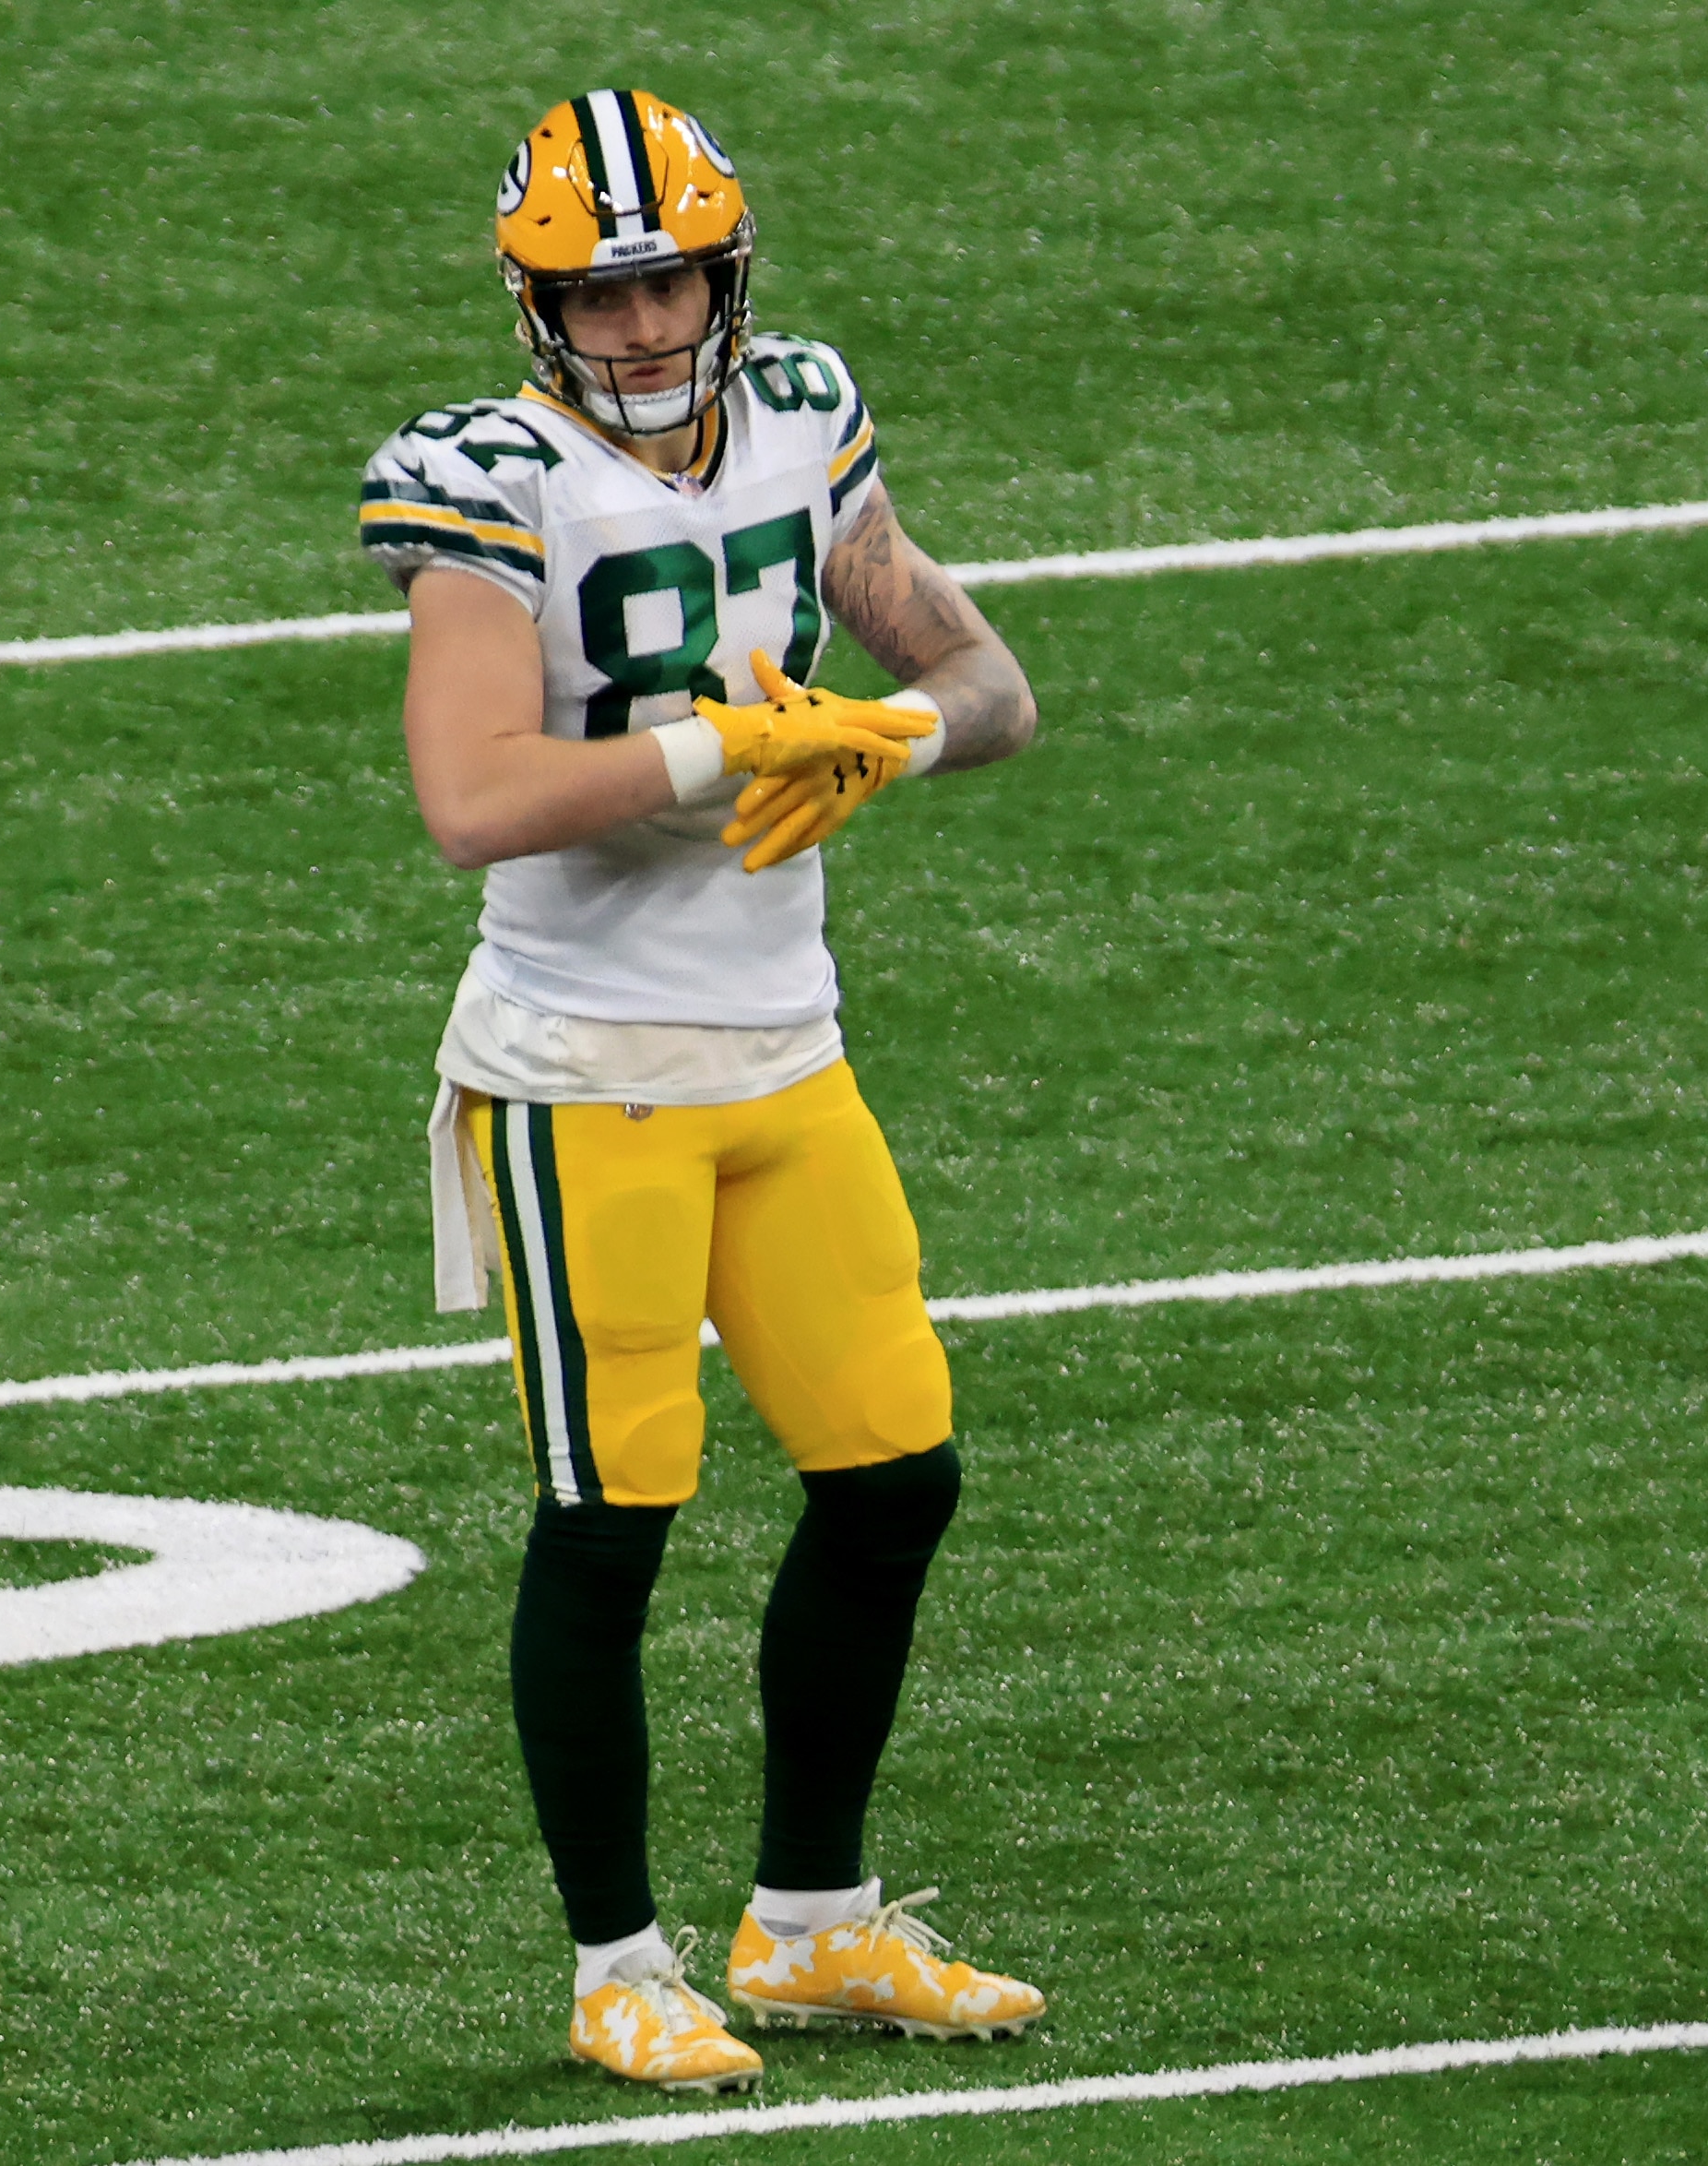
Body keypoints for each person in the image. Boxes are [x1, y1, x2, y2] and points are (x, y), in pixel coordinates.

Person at [359, 89, 1045, 2097]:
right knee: (611, 1519)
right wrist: (715, 755)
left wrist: (885, 735)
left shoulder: (803, 410)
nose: (645, 326)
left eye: (669, 281)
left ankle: (812, 1925)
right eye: (603, 291)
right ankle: (615, 1964)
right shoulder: (489, 477)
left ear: (727, 273)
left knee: (895, 1471)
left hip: (788, 1049)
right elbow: (470, 801)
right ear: (536, 300)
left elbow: (994, 682)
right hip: (585, 1078)